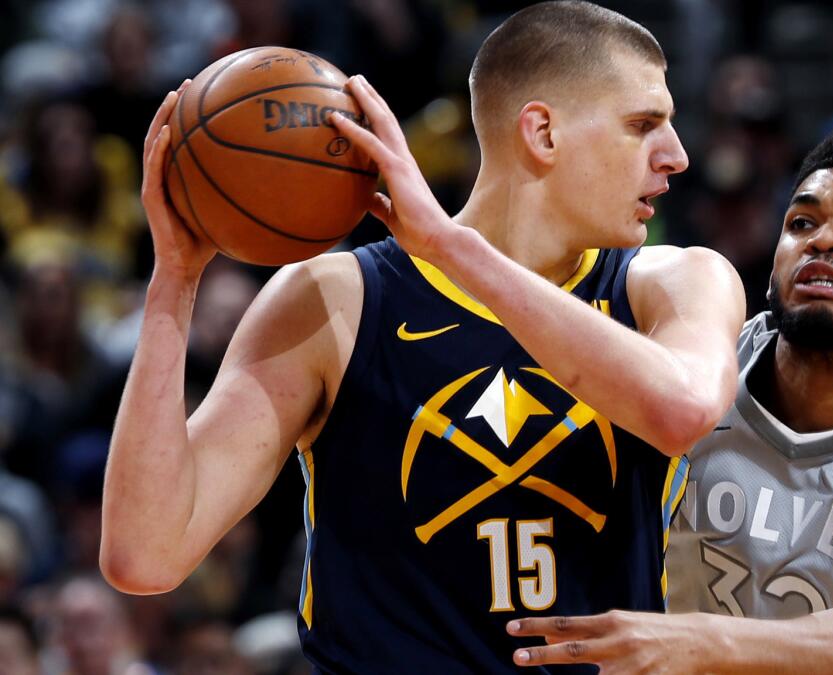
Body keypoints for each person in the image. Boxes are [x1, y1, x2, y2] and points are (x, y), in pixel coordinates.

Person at [100, 2, 745, 672]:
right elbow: (145, 555)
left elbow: (683, 410)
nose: (676, 156)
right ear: (543, 133)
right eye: (643, 125)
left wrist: (454, 249)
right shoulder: (335, 300)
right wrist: (172, 283)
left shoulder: (675, 281)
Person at [507, 117, 833, 674]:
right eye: (802, 222)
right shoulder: (695, 373)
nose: (824, 240)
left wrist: (699, 642)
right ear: (773, 269)